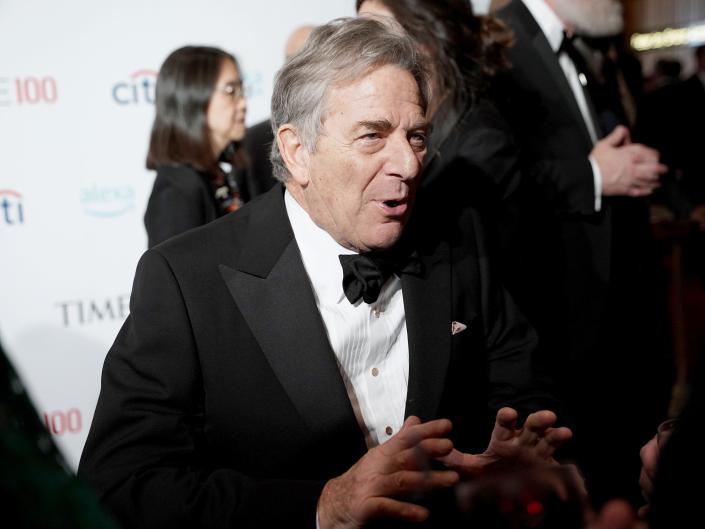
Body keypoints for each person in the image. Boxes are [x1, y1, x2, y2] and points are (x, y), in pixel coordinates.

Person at [79, 17, 572, 529]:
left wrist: (515, 452)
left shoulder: (456, 240)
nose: (407, 162)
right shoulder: (185, 280)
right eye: (372, 136)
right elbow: (119, 484)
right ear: (297, 151)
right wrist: (322, 506)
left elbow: (524, 386)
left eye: (417, 136)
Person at [493, 0, 673, 507]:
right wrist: (594, 175)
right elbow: (494, 177)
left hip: (618, 324)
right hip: (560, 332)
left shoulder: (581, 48)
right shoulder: (501, 40)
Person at [143, 45, 247, 248]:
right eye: (230, 91)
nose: (243, 102)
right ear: (192, 98)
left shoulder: (216, 176)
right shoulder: (176, 192)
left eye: (241, 90)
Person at [241, 25, 315, 200]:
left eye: (309, 57)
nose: (298, 68)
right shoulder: (253, 141)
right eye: (291, 60)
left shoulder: (348, 129)